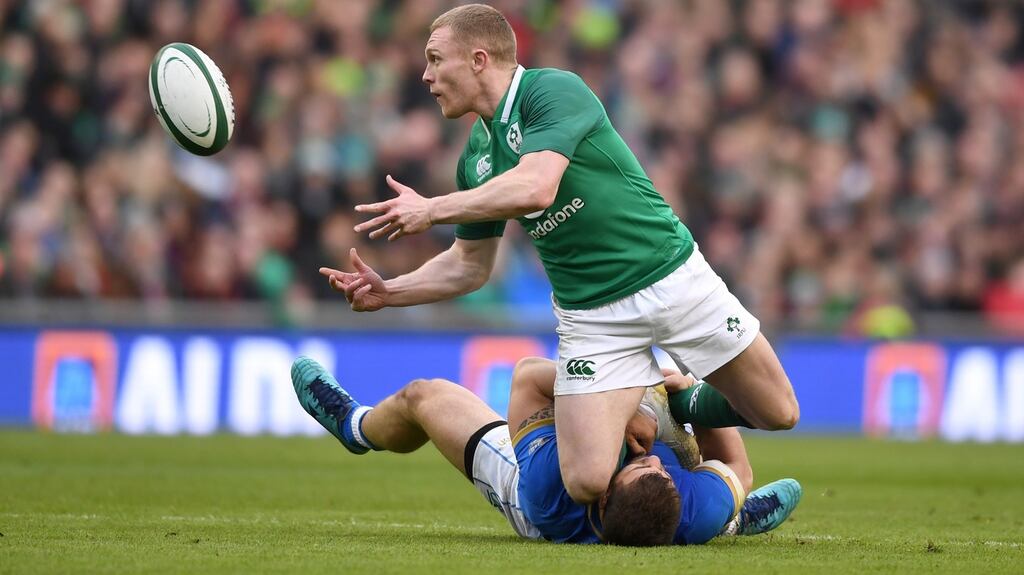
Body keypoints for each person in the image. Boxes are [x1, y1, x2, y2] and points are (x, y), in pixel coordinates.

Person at [320, 3, 799, 505]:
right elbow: (469, 265)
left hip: (670, 277)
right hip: (593, 317)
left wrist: (431, 209)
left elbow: (536, 186)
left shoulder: (551, 90)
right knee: (586, 481)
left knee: (778, 412)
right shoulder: (476, 158)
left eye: (436, 59)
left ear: (479, 59)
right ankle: (665, 427)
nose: (426, 75)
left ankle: (678, 401)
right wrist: (391, 292)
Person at [290, 355, 802, 546]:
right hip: (680, 510)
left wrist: (624, 396)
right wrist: (689, 392)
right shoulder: (691, 510)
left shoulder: (548, 485)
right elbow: (738, 468)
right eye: (656, 466)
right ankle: (733, 520)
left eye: (636, 467)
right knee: (719, 498)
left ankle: (356, 427)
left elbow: (529, 379)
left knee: (423, 396)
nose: (648, 458)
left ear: (604, 494)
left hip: (537, 488)